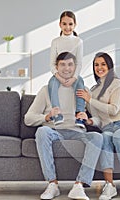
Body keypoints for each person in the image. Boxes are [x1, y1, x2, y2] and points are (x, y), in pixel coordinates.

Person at [25, 52, 103, 200]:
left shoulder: (84, 90)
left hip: (77, 131)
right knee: (42, 131)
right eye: (62, 64)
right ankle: (52, 184)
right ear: (56, 67)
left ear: (75, 67)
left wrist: (88, 119)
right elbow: (28, 118)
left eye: (70, 64)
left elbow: (100, 119)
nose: (66, 69)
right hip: (55, 130)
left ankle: (79, 185)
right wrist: (47, 116)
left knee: (97, 137)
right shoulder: (45, 90)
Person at [77, 52, 120, 200]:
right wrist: (89, 121)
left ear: (109, 66)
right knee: (104, 137)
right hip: (107, 127)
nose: (99, 68)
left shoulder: (117, 83)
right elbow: (99, 118)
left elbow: (114, 109)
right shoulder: (92, 90)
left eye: (103, 64)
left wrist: (90, 100)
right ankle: (109, 185)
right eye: (96, 65)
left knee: (118, 137)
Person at [48, 10, 85, 128]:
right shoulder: (56, 42)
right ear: (60, 25)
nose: (67, 27)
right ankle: (57, 114)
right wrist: (59, 77)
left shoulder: (78, 41)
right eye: (64, 24)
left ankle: (79, 114)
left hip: (72, 75)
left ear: (75, 25)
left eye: (70, 24)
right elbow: (52, 64)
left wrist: (74, 78)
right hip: (59, 75)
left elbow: (79, 63)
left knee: (80, 82)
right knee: (52, 83)